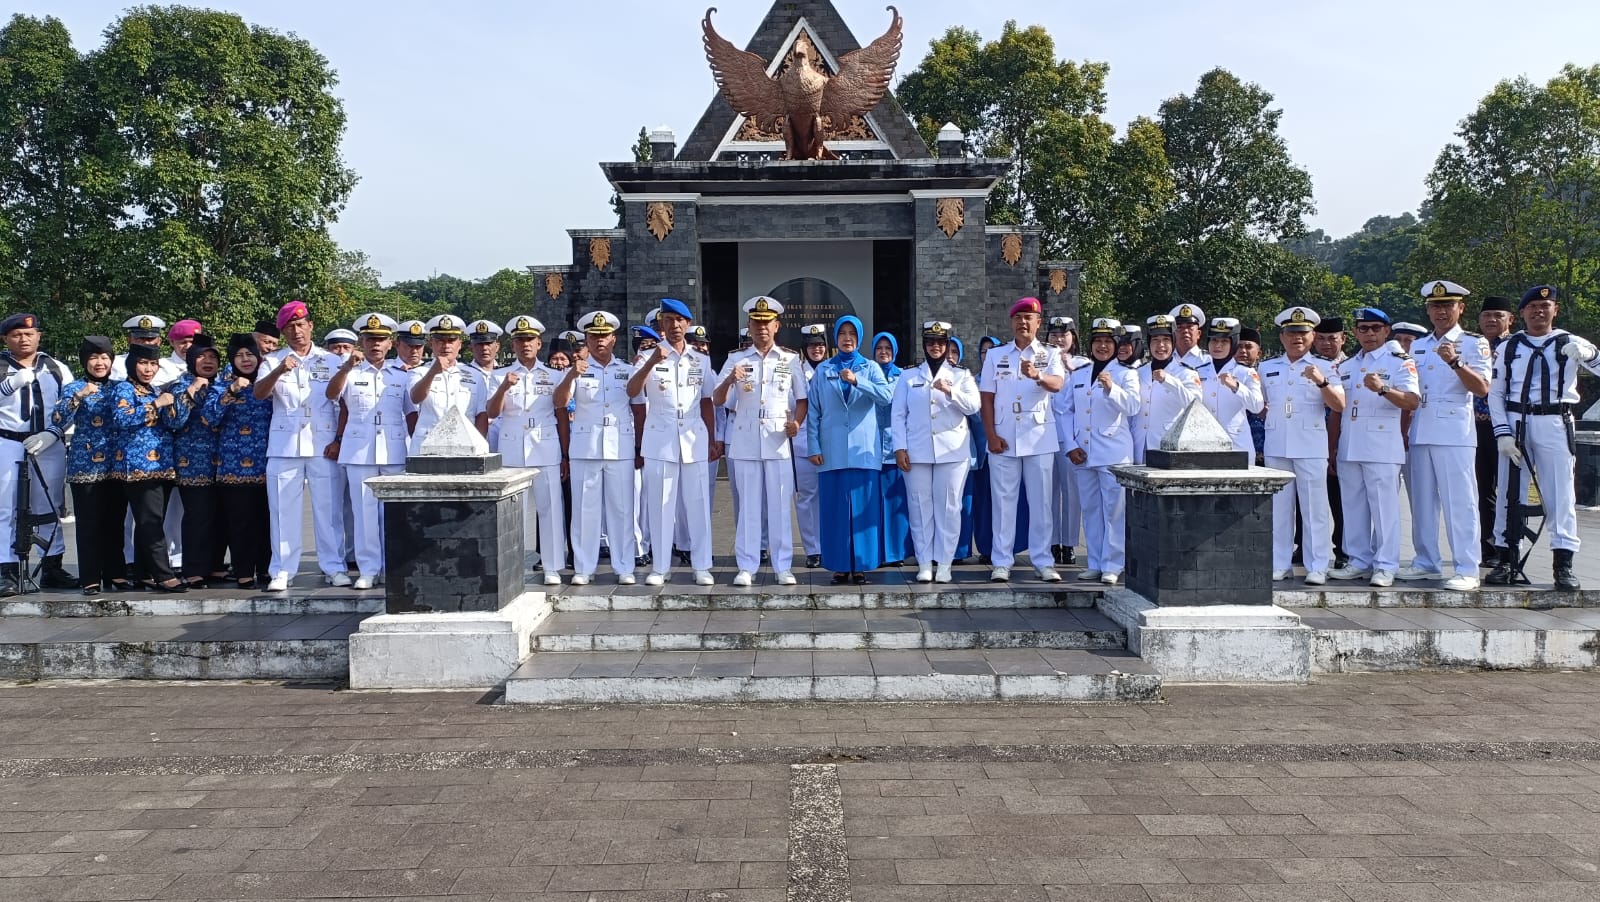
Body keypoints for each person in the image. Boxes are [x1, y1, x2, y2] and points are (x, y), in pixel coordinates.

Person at [1486, 285, 1599, 590]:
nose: (1539, 311)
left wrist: (1589, 354)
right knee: (1510, 492)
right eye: (1533, 306)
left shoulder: (1569, 342)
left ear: (1555, 310)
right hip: (1516, 420)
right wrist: (1502, 433)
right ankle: (1506, 557)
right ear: (1522, 312)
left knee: (1560, 493)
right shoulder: (1510, 347)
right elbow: (1495, 393)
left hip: (1555, 420)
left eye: (1545, 306)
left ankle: (1563, 563)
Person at [1399, 281, 1492, 591]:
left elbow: (1482, 388)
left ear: (1460, 308)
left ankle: (1467, 567)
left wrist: (1455, 362)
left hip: (1454, 432)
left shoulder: (1473, 343)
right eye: (1435, 306)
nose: (1441, 311)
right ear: (1428, 310)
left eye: (1447, 305)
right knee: (1421, 502)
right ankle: (1426, 561)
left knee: (1460, 502)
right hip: (1421, 428)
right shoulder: (1420, 345)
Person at [253, 301, 347, 592]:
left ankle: (334, 566)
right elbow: (259, 393)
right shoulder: (273, 360)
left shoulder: (331, 360)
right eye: (289, 327)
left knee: (329, 511)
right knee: (283, 511)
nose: (296, 331)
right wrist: (279, 371)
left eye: (300, 325)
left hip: (323, 443)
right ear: (283, 332)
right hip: (285, 445)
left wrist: (339, 439)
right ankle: (282, 570)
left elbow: (344, 403)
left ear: (310, 326)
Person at [713, 297, 807, 586]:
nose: (761, 328)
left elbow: (802, 399)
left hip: (777, 439)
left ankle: (783, 566)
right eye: (756, 323)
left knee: (780, 506)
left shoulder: (790, 359)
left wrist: (796, 424)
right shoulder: (736, 359)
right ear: (749, 326)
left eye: (767, 323)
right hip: (745, 439)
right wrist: (729, 380)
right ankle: (747, 566)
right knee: (748, 508)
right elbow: (717, 399)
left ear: (776, 326)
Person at [627, 298, 719, 587]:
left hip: (693, 437)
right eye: (668, 320)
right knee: (660, 505)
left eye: (680, 320)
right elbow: (632, 391)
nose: (675, 325)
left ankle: (702, 565)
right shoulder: (647, 356)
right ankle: (660, 566)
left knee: (698, 504)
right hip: (660, 437)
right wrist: (651, 362)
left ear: (688, 324)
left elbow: (707, 401)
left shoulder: (701, 360)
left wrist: (712, 438)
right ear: (661, 325)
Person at [1329, 308, 1420, 587]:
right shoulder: (1346, 366)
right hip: (1350, 443)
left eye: (1375, 328)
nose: (1369, 333)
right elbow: (1339, 409)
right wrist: (1333, 447)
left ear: (1386, 331)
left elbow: (1412, 401)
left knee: (1384, 509)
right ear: (1355, 332)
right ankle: (1358, 560)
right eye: (1363, 328)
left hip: (1382, 445)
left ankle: (1386, 564)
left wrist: (1383, 389)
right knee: (1353, 506)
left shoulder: (1399, 362)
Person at [979, 297, 1067, 583]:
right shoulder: (996, 355)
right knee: (1003, 503)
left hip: (1038, 437)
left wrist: (1037, 375)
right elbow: (987, 398)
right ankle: (1001, 561)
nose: (1023, 323)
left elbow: (1057, 384)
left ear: (1038, 322)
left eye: (1029, 317)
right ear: (1011, 322)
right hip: (1004, 437)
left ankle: (1043, 561)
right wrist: (991, 435)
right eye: (1018, 318)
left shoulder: (1050, 353)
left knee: (1041, 504)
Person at [1258, 306, 1345, 586]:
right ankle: (1279, 563)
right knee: (1279, 509)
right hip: (1277, 444)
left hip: (1310, 445)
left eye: (1303, 333)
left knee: (1314, 509)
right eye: (1292, 333)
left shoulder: (1326, 366)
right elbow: (1261, 404)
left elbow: (1339, 405)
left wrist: (1321, 382)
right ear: (1282, 336)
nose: (1297, 338)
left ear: (1312, 336)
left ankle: (1317, 565)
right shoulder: (1267, 367)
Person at [890, 321, 979, 584]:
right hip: (917, 451)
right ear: (924, 344)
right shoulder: (908, 376)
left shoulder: (961, 375)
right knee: (919, 507)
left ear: (948, 345)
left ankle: (945, 563)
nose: (935, 346)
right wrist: (899, 447)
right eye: (930, 342)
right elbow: (898, 414)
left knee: (949, 508)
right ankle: (924, 562)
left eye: (940, 342)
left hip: (952, 452)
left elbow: (973, 406)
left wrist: (950, 391)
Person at [325, 314, 408, 590]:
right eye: (370, 339)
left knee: (393, 514)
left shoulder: (402, 375)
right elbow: (331, 394)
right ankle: (368, 569)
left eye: (381, 339)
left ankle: (393, 567)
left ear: (390, 343)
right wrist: (346, 367)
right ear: (361, 341)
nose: (375, 344)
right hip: (359, 450)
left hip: (394, 450)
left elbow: (411, 412)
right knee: (364, 514)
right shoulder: (350, 371)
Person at [807, 315, 892, 584]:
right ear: (836, 337)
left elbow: (886, 397)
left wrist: (858, 381)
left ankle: (862, 564)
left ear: (859, 337)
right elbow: (813, 411)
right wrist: (813, 445)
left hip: (863, 451)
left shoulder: (870, 367)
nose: (847, 338)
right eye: (842, 333)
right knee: (835, 509)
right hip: (832, 451)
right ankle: (839, 565)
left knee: (862, 510)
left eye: (852, 334)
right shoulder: (824, 369)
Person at [556, 311, 638, 586]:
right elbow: (559, 402)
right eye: (593, 336)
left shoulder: (626, 370)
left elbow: (638, 407)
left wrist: (639, 446)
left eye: (604, 335)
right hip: (586, 447)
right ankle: (583, 566)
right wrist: (571, 374)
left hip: (620, 446)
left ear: (614, 339)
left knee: (622, 509)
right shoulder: (576, 370)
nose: (599, 340)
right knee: (584, 510)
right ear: (586, 339)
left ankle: (624, 566)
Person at [487, 315, 566, 587]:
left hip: (545, 446)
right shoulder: (500, 375)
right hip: (512, 447)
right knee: (513, 511)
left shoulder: (554, 375)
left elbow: (561, 412)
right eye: (520, 340)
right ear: (513, 344)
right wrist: (504, 387)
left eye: (529, 339)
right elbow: (492, 412)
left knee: (550, 508)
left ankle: (552, 565)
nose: (525, 345)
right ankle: (514, 565)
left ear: (539, 343)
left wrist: (565, 454)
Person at [1060, 318, 1141, 585]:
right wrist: (1070, 445)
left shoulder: (1126, 373)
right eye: (1098, 341)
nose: (1102, 346)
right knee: (1091, 509)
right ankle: (1095, 562)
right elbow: (1065, 410)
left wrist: (1112, 388)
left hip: (1113, 452)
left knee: (1114, 511)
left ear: (1116, 345)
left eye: (1108, 341)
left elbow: (1133, 407)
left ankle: (1113, 564)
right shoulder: (1080, 373)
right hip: (1083, 452)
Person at [0, 312, 74, 595]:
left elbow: (71, 404)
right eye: (16, 334)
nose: (24, 339)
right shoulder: (2, 366)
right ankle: (6, 569)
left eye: (29, 334)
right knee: (6, 507)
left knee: (50, 505)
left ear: (39, 336)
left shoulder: (55, 367)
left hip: (48, 442)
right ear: (6, 338)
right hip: (8, 441)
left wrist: (53, 433)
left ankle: (51, 565)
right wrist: (10, 384)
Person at [53, 336, 126, 595]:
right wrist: (79, 396)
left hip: (116, 464)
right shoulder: (74, 387)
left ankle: (116, 573)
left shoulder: (121, 387)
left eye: (105, 357)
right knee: (89, 524)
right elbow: (58, 418)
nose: (100, 363)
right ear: (85, 361)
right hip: (85, 466)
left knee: (115, 522)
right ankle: (90, 577)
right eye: (94, 358)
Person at [110, 343, 185, 592]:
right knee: (151, 522)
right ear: (132, 365)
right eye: (143, 363)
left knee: (152, 521)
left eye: (153, 364)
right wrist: (156, 405)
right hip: (138, 467)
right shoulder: (124, 388)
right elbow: (122, 418)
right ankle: (164, 575)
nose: (149, 369)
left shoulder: (154, 389)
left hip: (162, 466)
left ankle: (144, 572)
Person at [208, 334, 273, 589]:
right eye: (239, 355)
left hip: (267, 462)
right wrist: (231, 391)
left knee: (267, 521)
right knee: (240, 522)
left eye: (250, 354)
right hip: (233, 466)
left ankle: (267, 568)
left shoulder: (269, 383)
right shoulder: (221, 385)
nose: (245, 360)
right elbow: (210, 417)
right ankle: (243, 570)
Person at [162, 335, 226, 588]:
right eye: (201, 356)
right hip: (192, 462)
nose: (207, 361)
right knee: (198, 516)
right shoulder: (179, 386)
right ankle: (194, 568)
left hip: (223, 461)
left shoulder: (223, 385)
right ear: (190, 360)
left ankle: (216, 565)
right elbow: (173, 421)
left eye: (212, 357)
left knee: (220, 515)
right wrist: (191, 392)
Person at [407, 314, 490, 452]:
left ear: (459, 344)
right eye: (440, 341)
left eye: (451, 340)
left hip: (464, 445)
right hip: (427, 445)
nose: (446, 346)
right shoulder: (419, 372)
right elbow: (415, 398)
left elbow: (481, 414)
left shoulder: (475, 375)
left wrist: (479, 446)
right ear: (431, 343)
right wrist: (432, 373)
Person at [1474, 296, 1516, 560]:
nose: (1491, 320)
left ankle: (1509, 545)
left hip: (1506, 428)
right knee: (1483, 489)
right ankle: (1488, 546)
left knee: (1510, 488)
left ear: (1511, 319)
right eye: (1486, 315)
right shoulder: (1472, 346)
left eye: (1498, 315)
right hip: (1476, 427)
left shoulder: (1516, 346)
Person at [1046, 315, 1087, 566]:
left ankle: (1070, 542)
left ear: (1074, 337)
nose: (1059, 339)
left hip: (1070, 437)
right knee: (1047, 493)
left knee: (1071, 492)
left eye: (1064, 335)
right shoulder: (1041, 361)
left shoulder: (1083, 364)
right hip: (1043, 435)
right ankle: (1051, 541)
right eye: (1054, 335)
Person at [1313, 316, 1351, 569]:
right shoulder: (1308, 365)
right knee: (1308, 500)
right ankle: (1303, 546)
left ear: (1343, 339)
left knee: (1342, 501)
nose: (1326, 343)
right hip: (1312, 441)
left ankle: (1343, 550)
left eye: (1332, 338)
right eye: (1321, 339)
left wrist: (1333, 448)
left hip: (1343, 441)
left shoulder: (1352, 366)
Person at [871, 331, 910, 567]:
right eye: (879, 348)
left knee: (896, 503)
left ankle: (896, 553)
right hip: (872, 447)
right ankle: (876, 551)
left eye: (887, 348)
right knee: (874, 504)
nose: (883, 352)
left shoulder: (903, 376)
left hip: (896, 447)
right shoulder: (867, 373)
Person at [1198, 317, 1264, 455]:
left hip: (1236, 444)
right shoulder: (1198, 371)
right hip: (1204, 443)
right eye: (1214, 340)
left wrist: (1237, 387)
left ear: (1233, 343)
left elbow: (1257, 406)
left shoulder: (1245, 372)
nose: (1218, 346)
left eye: (1224, 341)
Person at [792, 323, 829, 569]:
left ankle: (830, 544)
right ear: (804, 349)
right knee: (806, 498)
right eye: (812, 345)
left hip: (830, 445)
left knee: (829, 497)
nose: (816, 349)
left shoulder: (832, 369)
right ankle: (813, 549)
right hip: (803, 444)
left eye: (820, 345)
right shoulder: (795, 372)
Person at [1140, 314, 1203, 456]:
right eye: (1155, 340)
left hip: (1167, 445)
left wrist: (1169, 381)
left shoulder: (1186, 373)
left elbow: (1196, 404)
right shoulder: (1140, 372)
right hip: (1138, 445)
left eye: (1166, 340)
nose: (1160, 345)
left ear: (1174, 342)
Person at [1116, 323, 1149, 461]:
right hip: (1117, 440)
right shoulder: (1112, 371)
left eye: (1127, 344)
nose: (1121, 348)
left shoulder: (1146, 371)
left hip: (1142, 439)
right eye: (1118, 344)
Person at [1237, 326, 1267, 465]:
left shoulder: (1267, 374)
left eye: (1248, 347)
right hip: (1238, 443)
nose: (1243, 351)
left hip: (1268, 445)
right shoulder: (1225, 376)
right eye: (1238, 347)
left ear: (1259, 353)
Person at [1169, 303, 1208, 369]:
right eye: (1180, 327)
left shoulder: (1208, 360)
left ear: (1198, 334)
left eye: (1190, 327)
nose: (1185, 331)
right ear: (1173, 334)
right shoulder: (1164, 359)